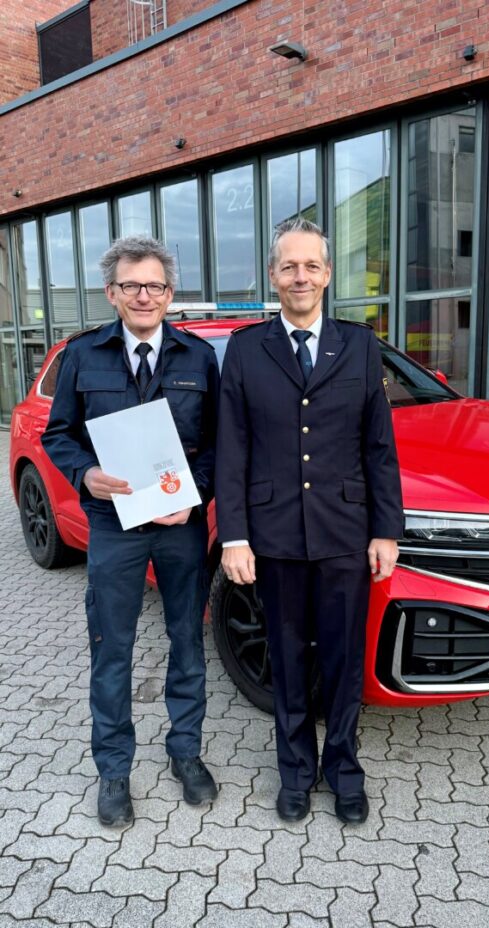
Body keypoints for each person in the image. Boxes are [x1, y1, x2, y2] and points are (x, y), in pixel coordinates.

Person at [216, 217, 403, 824]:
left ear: (327, 274)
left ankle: (344, 770)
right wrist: (235, 536)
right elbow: (232, 448)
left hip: (345, 533)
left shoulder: (360, 345)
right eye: (289, 266)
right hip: (273, 536)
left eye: (311, 266)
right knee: (288, 659)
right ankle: (295, 771)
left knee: (345, 662)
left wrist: (386, 530)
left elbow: (378, 446)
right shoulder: (247, 349)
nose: (301, 276)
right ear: (274, 275)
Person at [42, 236, 219, 827]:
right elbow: (58, 434)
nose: (144, 295)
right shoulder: (82, 355)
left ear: (169, 294)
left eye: (155, 285)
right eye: (132, 285)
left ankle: (185, 752)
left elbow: (219, 443)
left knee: (187, 641)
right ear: (111, 292)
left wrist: (193, 496)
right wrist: (84, 473)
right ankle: (114, 770)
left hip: (179, 528)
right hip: (113, 526)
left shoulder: (198, 358)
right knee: (111, 648)